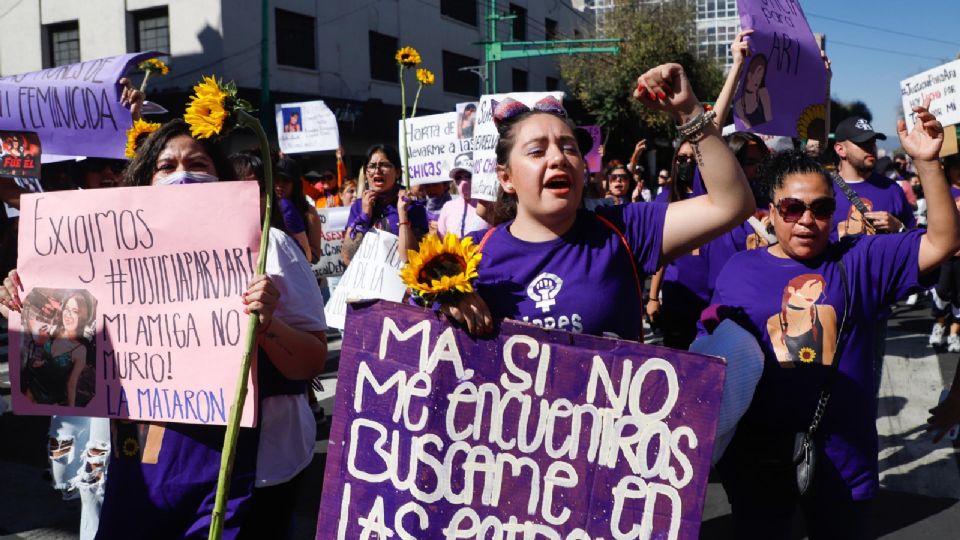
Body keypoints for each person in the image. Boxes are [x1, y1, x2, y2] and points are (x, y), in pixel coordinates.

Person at [0, 118, 329, 539]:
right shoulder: (111, 254)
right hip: (151, 465)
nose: (182, 175)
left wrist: (270, 325)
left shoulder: (271, 247)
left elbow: (312, 360)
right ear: (144, 180)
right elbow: (65, 350)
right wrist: (25, 298)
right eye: (166, 166)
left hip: (256, 466)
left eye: (198, 164)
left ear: (221, 176)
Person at [705, 100, 960, 539]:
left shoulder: (860, 260)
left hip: (844, 463)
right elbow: (711, 358)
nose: (807, 220)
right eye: (791, 209)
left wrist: (927, 162)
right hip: (758, 462)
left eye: (821, 209)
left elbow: (943, 241)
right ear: (770, 211)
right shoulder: (738, 270)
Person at [443, 63, 754, 340]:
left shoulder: (625, 229)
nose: (557, 159)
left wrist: (688, 111)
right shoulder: (466, 259)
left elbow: (731, 204)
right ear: (505, 177)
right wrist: (446, 303)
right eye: (537, 151)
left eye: (569, 148)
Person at [646, 141, 711, 348]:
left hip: (712, 299)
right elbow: (660, 251)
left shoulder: (718, 199)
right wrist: (653, 297)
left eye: (693, 158)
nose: (687, 163)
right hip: (678, 297)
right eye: (682, 159)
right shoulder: (665, 199)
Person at [341, 144, 427, 265]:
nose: (377, 170)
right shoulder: (358, 206)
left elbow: (409, 259)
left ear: (397, 172)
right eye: (371, 166)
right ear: (366, 173)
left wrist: (403, 215)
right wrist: (364, 215)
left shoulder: (412, 206)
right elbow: (347, 257)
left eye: (384, 165)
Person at [20, 290, 93, 406]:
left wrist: (71, 410)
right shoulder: (53, 330)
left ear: (83, 318)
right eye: (67, 309)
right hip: (31, 388)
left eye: (74, 311)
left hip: (50, 401)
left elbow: (71, 383)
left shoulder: (80, 349)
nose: (68, 314)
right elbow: (39, 350)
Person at [274, 157, 322, 264]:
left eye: (285, 181)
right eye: (276, 180)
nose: (279, 186)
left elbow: (315, 256)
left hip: (299, 273)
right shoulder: (266, 208)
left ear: (296, 185)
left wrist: (294, 239)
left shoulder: (309, 212)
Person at [437, 161, 490, 238]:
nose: (463, 182)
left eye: (469, 176)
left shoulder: (487, 205)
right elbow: (441, 239)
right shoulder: (448, 207)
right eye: (458, 178)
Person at [734, 52, 772, 128]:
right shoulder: (739, 105)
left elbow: (769, 121)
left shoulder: (763, 93)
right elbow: (748, 128)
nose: (759, 80)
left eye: (761, 77)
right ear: (749, 74)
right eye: (757, 75)